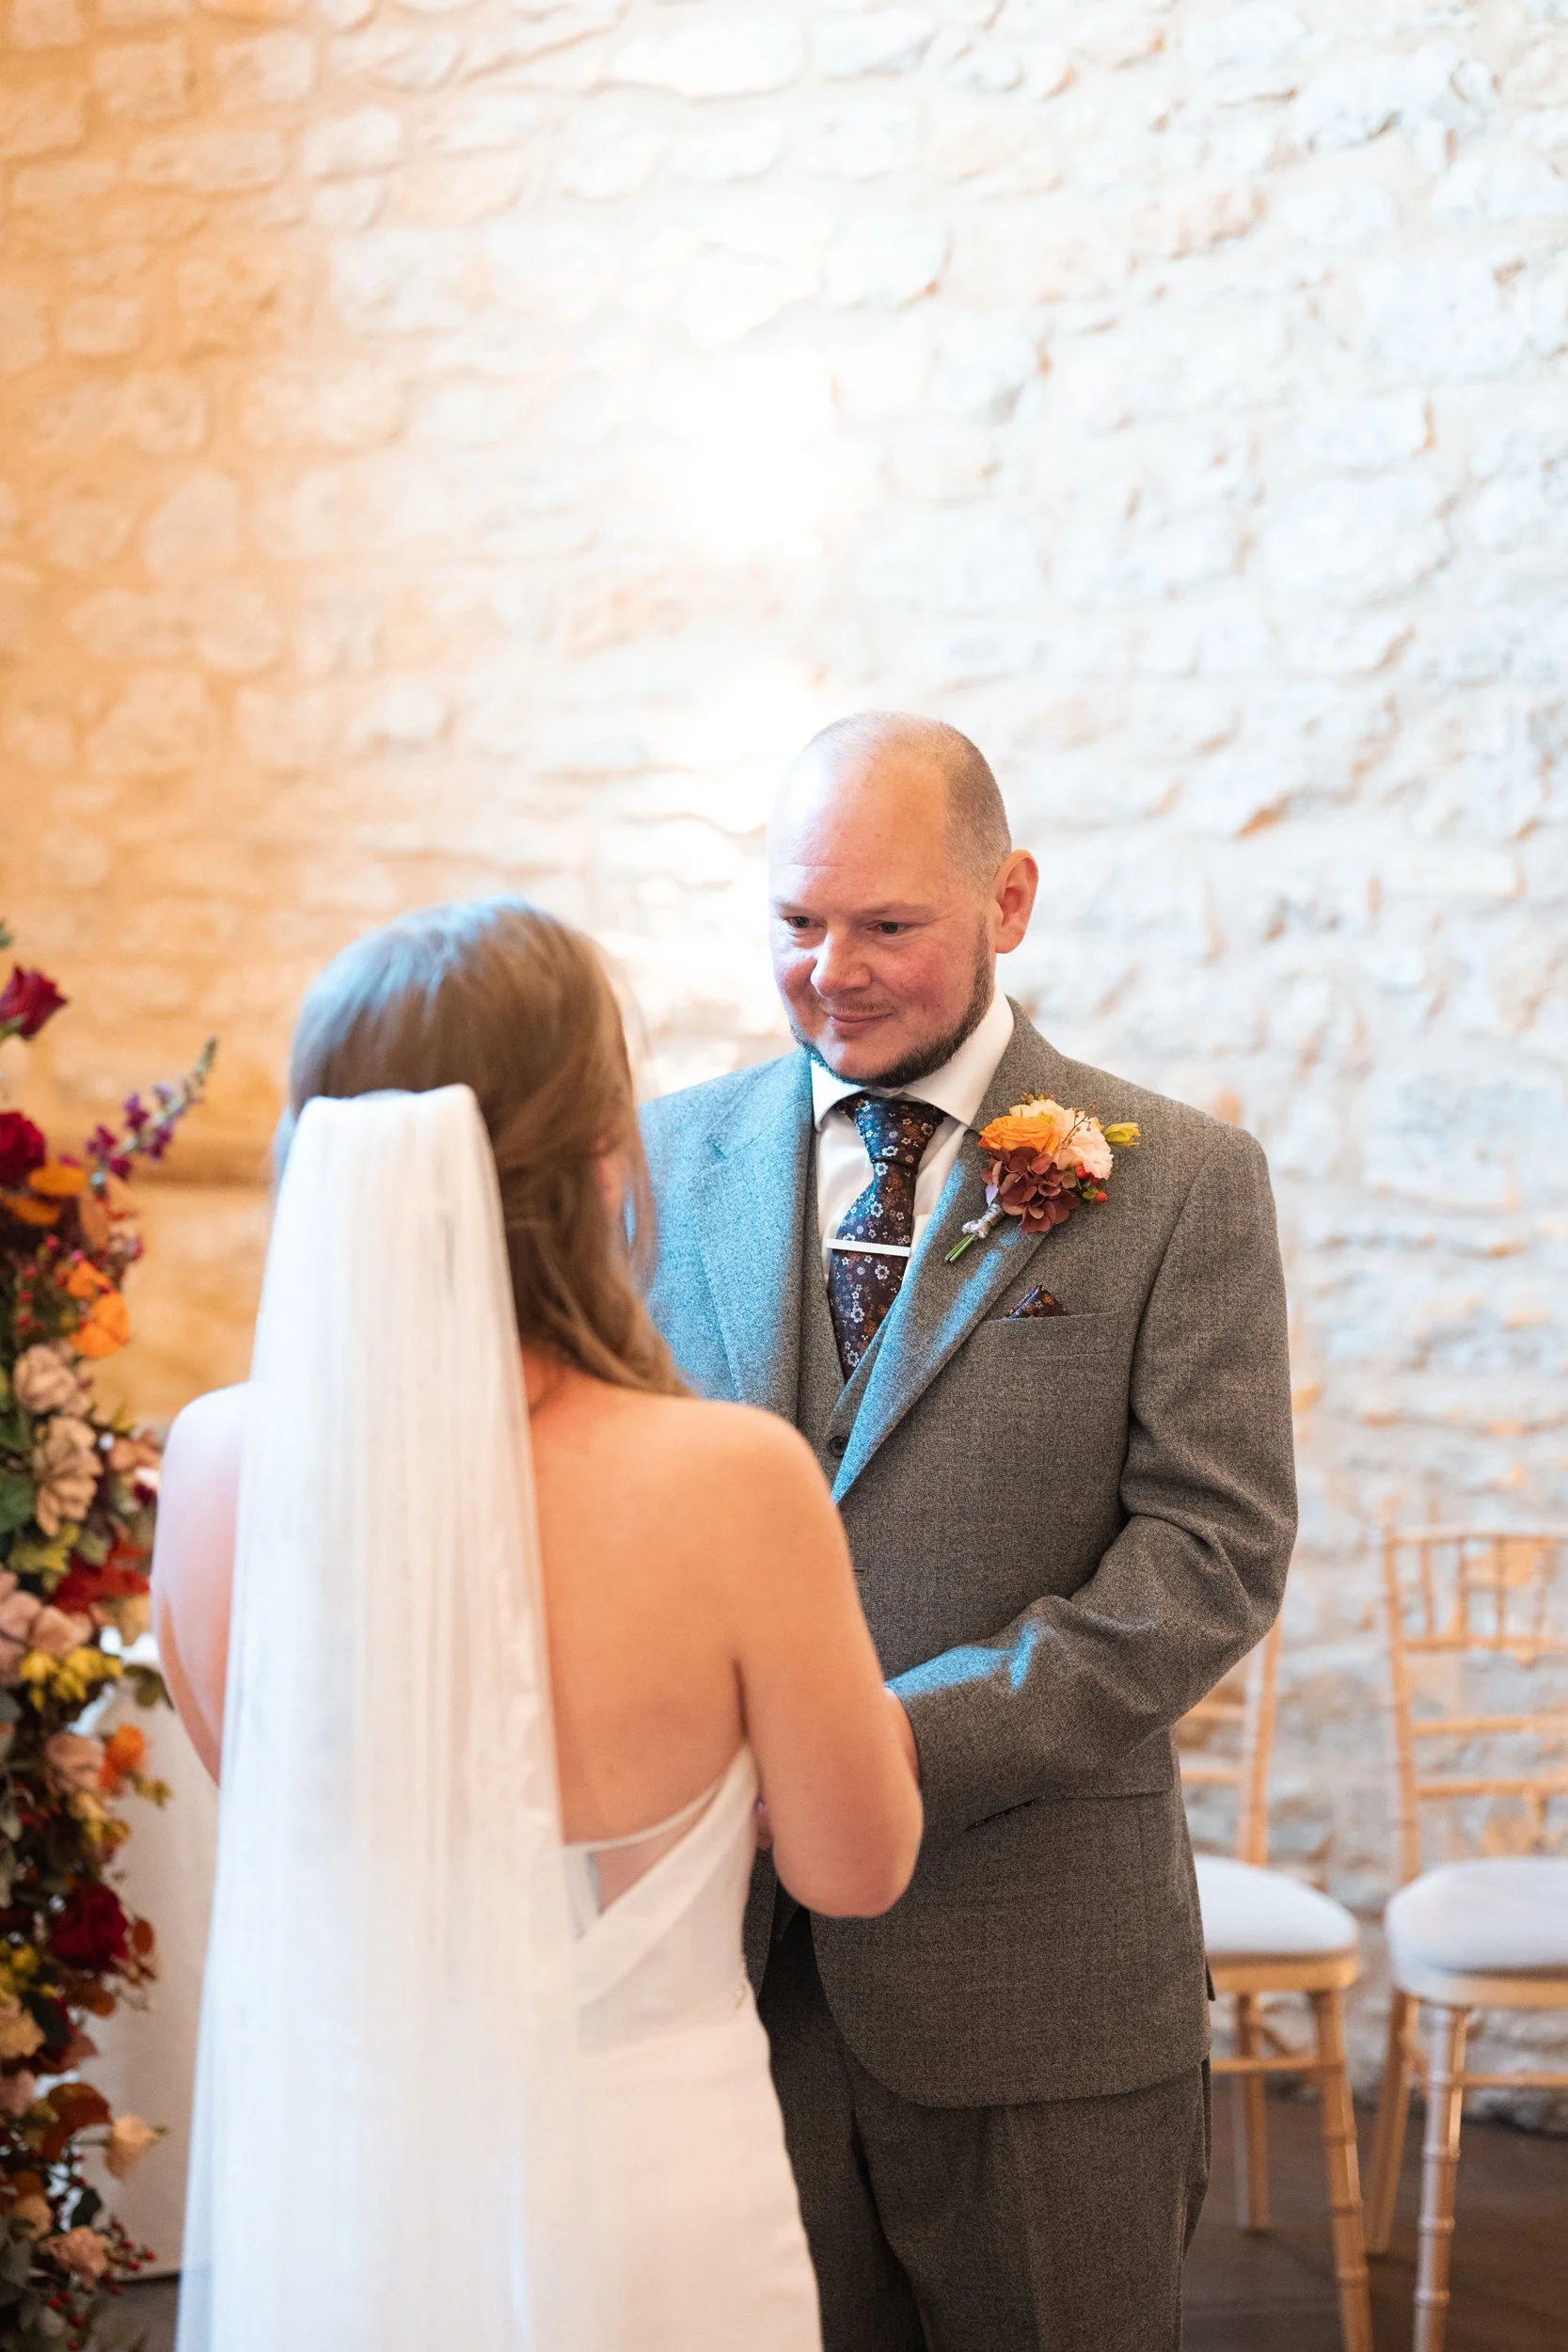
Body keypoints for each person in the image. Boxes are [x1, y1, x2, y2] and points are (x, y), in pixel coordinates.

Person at [150, 899, 922, 2352]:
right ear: (599, 1163)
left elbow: (267, 1806)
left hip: (348, 2191)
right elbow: (855, 1867)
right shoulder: (733, 1478)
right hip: (647, 2194)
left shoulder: (209, 1463)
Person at [640, 712, 1297, 2352]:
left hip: (1037, 1983)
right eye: (796, 923)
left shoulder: (1178, 1182)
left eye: (885, 925)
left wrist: (885, 1745)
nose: (830, 971)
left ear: (1005, 901)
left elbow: (1209, 1554)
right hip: (715, 1985)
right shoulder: (662, 1161)